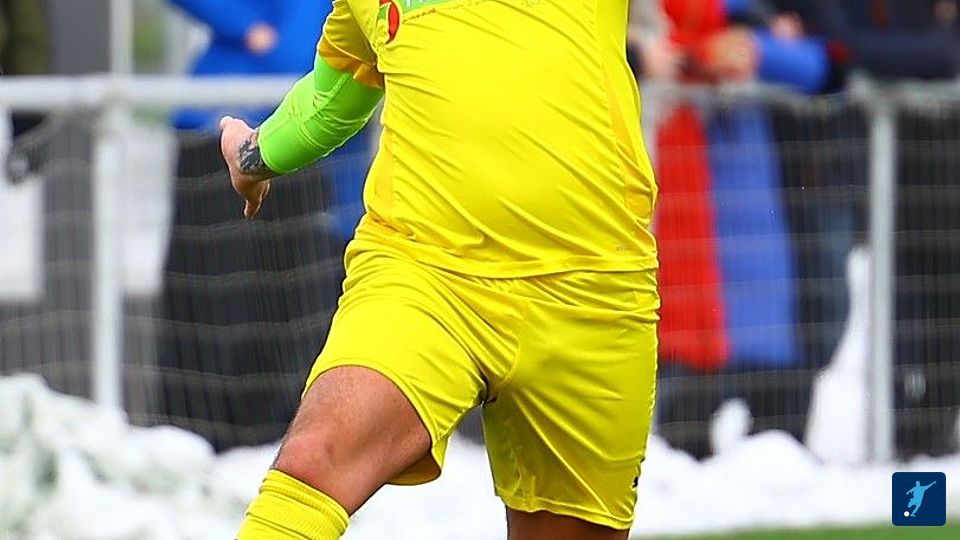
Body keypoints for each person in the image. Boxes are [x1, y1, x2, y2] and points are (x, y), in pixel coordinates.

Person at [219, 0, 660, 538]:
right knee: (317, 457)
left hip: (591, 290)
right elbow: (335, 92)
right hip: (426, 275)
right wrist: (254, 155)